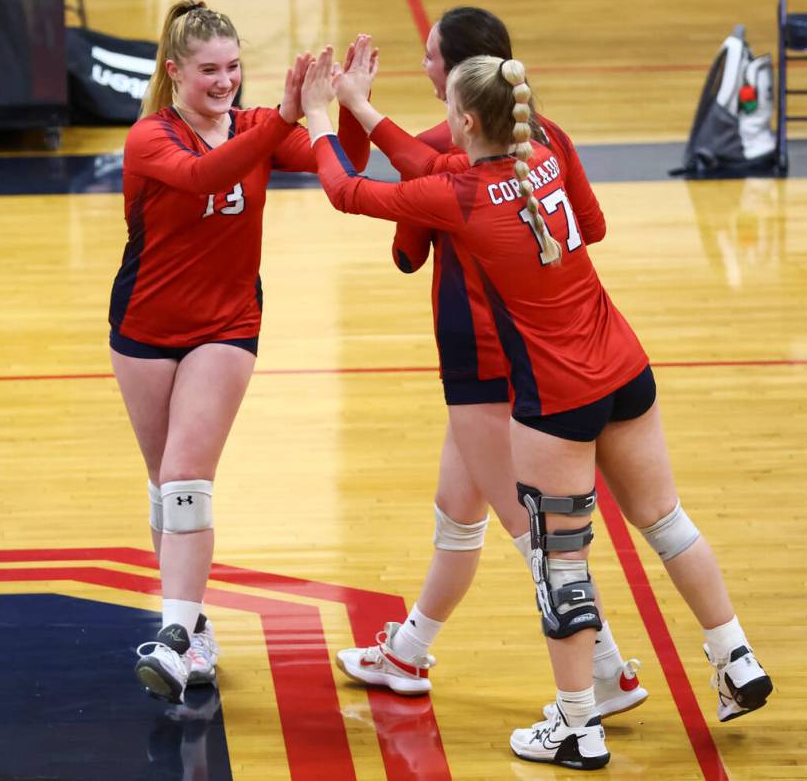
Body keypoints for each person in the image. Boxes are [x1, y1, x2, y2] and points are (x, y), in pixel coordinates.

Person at [301, 45, 772, 770]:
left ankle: (578, 725)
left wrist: (314, 118)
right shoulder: (542, 144)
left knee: (561, 563)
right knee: (667, 521)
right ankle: (734, 657)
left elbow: (347, 190)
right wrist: (362, 107)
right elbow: (430, 166)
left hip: (556, 397)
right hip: (625, 366)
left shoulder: (459, 194)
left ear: (459, 121)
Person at [334, 12, 646, 722]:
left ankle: (605, 670)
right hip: (553, 348)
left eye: (428, 57)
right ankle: (408, 651)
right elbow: (589, 229)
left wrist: (346, 111)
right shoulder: (542, 134)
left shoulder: (441, 152)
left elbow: (406, 252)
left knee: (533, 531)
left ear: (454, 77)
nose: (422, 67)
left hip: (483, 360)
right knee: (458, 511)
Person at [109, 0, 369, 704]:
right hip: (144, 323)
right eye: (209, 70)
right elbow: (206, 176)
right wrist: (283, 116)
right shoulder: (148, 137)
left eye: (233, 67)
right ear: (173, 72)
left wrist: (343, 106)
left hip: (225, 323)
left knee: (189, 474)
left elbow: (341, 164)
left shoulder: (258, 126)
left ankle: (170, 640)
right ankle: (190, 623)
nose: (225, 81)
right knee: (165, 486)